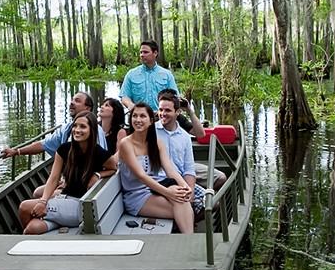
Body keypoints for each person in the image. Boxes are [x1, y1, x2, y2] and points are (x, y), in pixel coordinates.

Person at [18, 111, 117, 234]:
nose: (77, 130)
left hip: (79, 207)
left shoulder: (98, 152)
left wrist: (98, 175)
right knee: (32, 229)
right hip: (62, 200)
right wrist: (43, 201)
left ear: (92, 130)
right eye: (75, 126)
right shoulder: (64, 149)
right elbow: (53, 179)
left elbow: (114, 168)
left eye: (83, 127)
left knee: (24, 207)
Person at [116, 102, 194, 234]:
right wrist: (167, 192)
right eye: (134, 116)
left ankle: (189, 240)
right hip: (136, 196)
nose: (138, 120)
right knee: (182, 205)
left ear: (151, 121)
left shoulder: (156, 142)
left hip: (155, 188)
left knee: (181, 197)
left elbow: (170, 170)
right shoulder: (126, 144)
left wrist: (186, 187)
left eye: (142, 116)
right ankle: (190, 241)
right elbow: (141, 176)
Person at [1, 91, 106, 159]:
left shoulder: (95, 129)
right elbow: (43, 144)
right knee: (38, 193)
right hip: (71, 177)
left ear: (87, 108)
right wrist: (17, 151)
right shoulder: (66, 128)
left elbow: (100, 159)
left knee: (39, 193)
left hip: (88, 178)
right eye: (72, 100)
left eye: (77, 101)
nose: (71, 103)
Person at [157, 89, 226, 191]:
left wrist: (189, 111)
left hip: (181, 168)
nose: (163, 113)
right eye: (161, 109)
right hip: (161, 175)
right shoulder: (152, 122)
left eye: (168, 110)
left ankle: (199, 190)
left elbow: (200, 134)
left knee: (220, 179)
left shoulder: (181, 125)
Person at [120, 41, 177, 111]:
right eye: (141, 52)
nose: (142, 55)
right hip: (139, 117)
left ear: (155, 53)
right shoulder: (131, 74)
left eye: (145, 52)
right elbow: (124, 97)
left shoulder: (167, 75)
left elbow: (174, 97)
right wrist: (131, 105)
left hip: (161, 117)